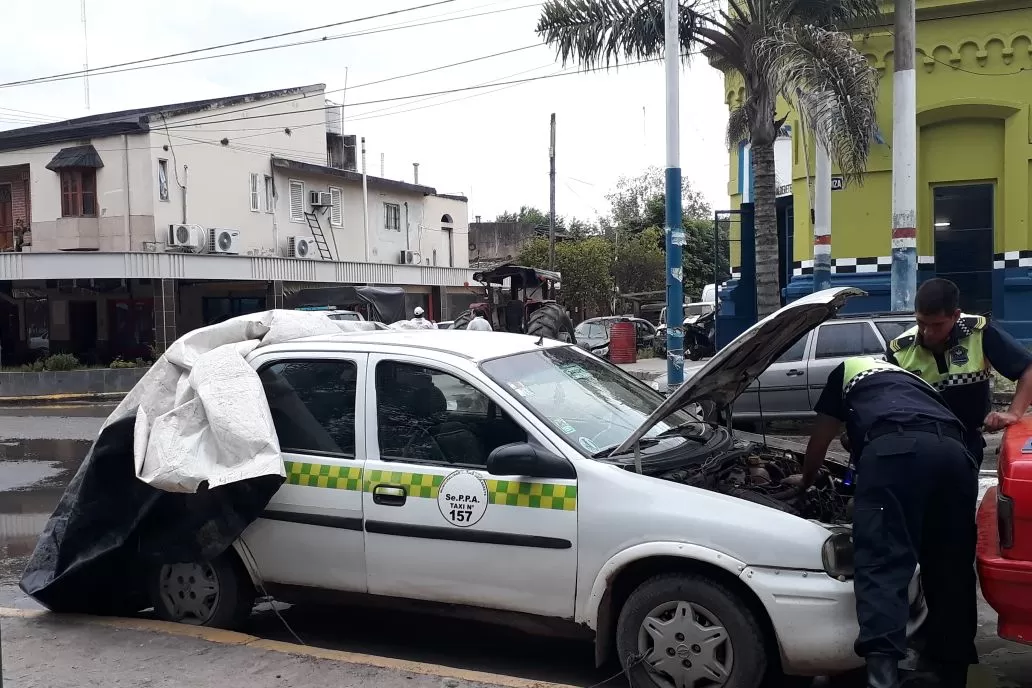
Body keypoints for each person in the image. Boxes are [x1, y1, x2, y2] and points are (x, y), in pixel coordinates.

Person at [790, 356, 977, 688]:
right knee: (952, 568)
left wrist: (805, 481)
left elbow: (821, 438)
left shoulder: (845, 371)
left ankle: (882, 679)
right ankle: (952, 672)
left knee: (882, 565)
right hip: (955, 455)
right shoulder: (911, 381)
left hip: (896, 451)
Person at [886, 278, 1032, 466]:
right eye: (921, 322)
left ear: (956, 315)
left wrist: (1014, 412)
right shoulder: (899, 350)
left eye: (937, 325)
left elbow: (1028, 368)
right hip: (919, 446)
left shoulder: (980, 332)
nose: (928, 332)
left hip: (967, 442)